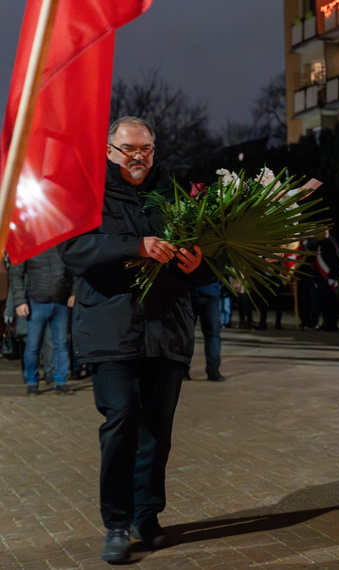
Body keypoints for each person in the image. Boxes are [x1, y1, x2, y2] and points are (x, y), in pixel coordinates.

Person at [57, 116, 208, 563]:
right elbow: (74, 250)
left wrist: (198, 263)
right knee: (121, 421)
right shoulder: (87, 195)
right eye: (128, 149)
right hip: (111, 330)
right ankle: (117, 523)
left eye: (145, 149)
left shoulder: (176, 196)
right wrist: (136, 246)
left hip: (166, 330)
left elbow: (207, 262)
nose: (137, 156)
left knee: (157, 431)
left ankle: (148, 517)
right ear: (110, 151)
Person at [8, 246, 75, 395]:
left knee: (62, 343)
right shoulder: (29, 245)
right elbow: (16, 274)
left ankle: (60, 380)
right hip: (36, 302)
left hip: (61, 302)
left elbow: (73, 269)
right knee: (33, 345)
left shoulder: (62, 246)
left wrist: (74, 293)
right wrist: (19, 301)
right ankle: (32, 381)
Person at [189, 282, 225, 382]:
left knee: (212, 334)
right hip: (204, 291)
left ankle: (213, 370)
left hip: (204, 292)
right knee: (212, 335)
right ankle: (213, 371)